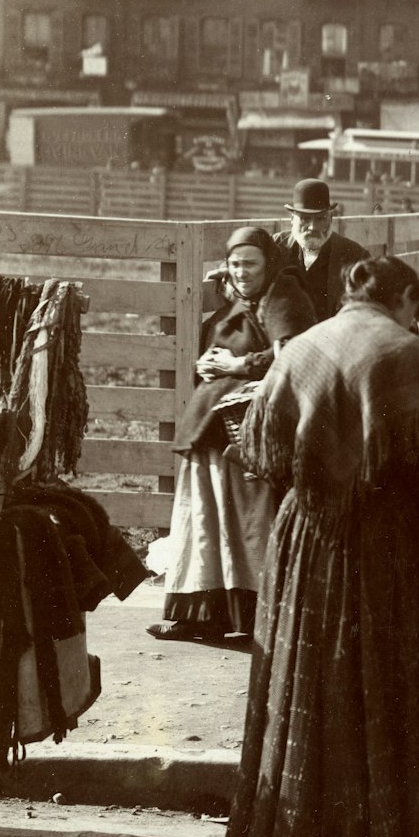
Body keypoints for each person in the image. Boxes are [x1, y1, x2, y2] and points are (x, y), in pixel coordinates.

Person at [225, 256, 419, 837]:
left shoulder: (305, 344)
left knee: (302, 685)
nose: (417, 317)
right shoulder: (402, 349)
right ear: (398, 300)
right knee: (375, 685)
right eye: (415, 306)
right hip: (376, 541)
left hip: (304, 537)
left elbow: (260, 451)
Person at [150, 227, 317, 642]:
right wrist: (207, 364)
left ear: (269, 264)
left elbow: (291, 355)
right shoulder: (236, 301)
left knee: (248, 522)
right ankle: (202, 614)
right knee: (205, 520)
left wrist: (235, 366)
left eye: (251, 264)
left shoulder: (284, 295)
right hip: (211, 426)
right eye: (235, 264)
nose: (242, 272)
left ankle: (253, 617)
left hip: (250, 430)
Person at [274, 178, 371, 322]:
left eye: (320, 219)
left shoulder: (355, 256)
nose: (313, 227)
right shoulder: (276, 246)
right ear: (292, 219)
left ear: (331, 218)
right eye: (305, 219)